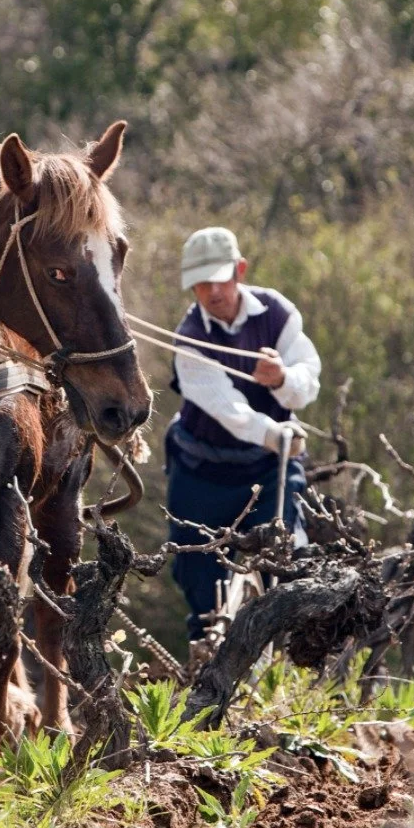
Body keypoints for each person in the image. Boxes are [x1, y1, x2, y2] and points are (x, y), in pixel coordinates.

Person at [165, 226, 321, 651]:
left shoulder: (278, 313)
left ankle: (286, 666)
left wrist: (283, 379)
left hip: (269, 469)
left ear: (240, 270)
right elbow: (226, 407)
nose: (213, 291)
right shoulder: (190, 337)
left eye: (220, 278)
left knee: (284, 560)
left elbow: (308, 380)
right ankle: (206, 666)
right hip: (202, 472)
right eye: (201, 282)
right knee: (197, 579)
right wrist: (274, 433)